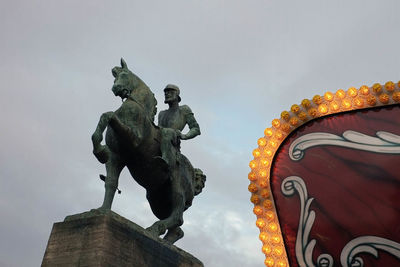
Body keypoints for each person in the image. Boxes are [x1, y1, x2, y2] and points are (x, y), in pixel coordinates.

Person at [157, 84, 201, 168]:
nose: (166, 94)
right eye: (165, 92)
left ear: (177, 95)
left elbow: (196, 128)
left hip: (173, 144)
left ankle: (165, 161)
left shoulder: (184, 110)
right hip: (159, 141)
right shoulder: (161, 114)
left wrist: (184, 136)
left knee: (168, 132)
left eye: (170, 91)